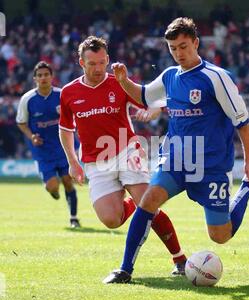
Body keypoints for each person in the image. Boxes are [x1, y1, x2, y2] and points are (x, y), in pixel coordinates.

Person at [103, 17, 249, 284]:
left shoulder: (216, 78)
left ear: (196, 43)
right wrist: (124, 81)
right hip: (176, 159)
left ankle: (247, 189)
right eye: (173, 48)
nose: (178, 53)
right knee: (148, 201)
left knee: (220, 236)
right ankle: (125, 269)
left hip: (211, 166)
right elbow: (144, 95)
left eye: (183, 46)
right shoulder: (170, 76)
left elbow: (242, 121)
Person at [59, 36, 187, 275]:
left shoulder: (119, 82)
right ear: (81, 63)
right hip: (95, 162)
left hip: (127, 152)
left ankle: (179, 258)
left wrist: (153, 112)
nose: (98, 69)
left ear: (107, 59)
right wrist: (72, 162)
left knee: (148, 205)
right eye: (92, 64)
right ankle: (132, 203)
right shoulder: (68, 93)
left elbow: (153, 101)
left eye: (102, 62)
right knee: (111, 220)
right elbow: (65, 129)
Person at [16, 61, 80, 228]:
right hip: (42, 149)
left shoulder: (62, 95)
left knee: (67, 180)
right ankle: (54, 191)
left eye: (46, 74)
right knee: (52, 186)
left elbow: (76, 116)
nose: (43, 78)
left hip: (63, 146)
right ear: (35, 78)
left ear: (52, 77)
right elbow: (21, 122)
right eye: (40, 75)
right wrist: (32, 137)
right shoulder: (27, 99)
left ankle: (73, 218)